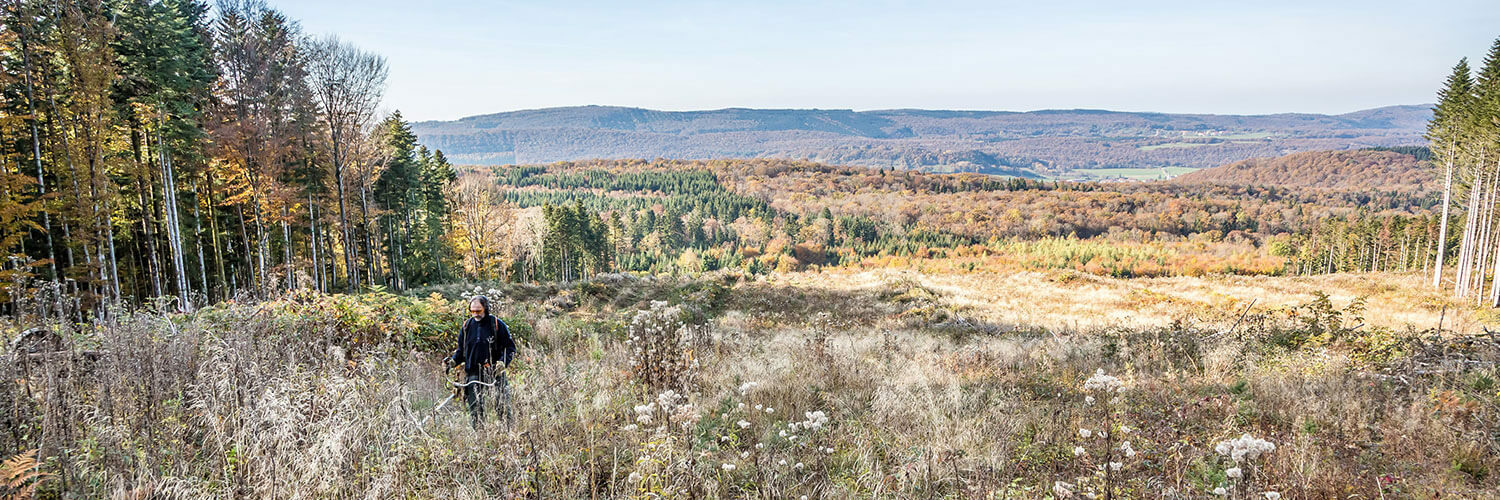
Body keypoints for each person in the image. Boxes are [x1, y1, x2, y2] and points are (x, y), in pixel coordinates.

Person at [444, 295, 516, 428]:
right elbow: (461, 351)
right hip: (473, 373)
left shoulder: (497, 324)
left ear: (486, 309)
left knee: (503, 406)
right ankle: (480, 437)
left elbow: (510, 347)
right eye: (472, 311)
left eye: (478, 311)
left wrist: (502, 362)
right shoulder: (467, 326)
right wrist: (453, 362)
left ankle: (508, 434)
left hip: (494, 372)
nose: (475, 314)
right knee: (475, 410)